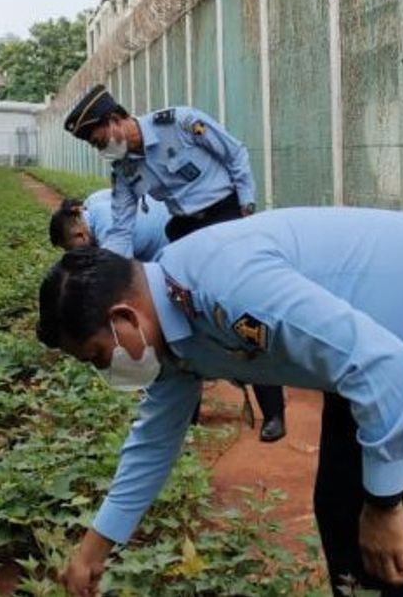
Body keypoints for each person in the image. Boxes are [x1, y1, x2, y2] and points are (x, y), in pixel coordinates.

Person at [37, 207, 403, 597]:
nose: (105, 370)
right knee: (343, 512)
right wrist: (94, 547)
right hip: (362, 351)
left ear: (125, 319)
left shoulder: (225, 285)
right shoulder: (172, 336)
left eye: (98, 356)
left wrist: (386, 503)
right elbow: (152, 441)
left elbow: (382, 363)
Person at [63, 84, 286, 443]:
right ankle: (188, 414)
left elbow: (235, 154)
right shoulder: (124, 170)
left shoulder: (180, 124)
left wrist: (247, 210)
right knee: (180, 315)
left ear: (116, 119)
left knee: (245, 308)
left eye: (99, 138)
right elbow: (121, 229)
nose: (101, 147)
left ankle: (273, 410)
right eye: (93, 145)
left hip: (225, 216)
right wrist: (103, 279)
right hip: (185, 230)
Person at [48, 188, 170, 263]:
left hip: (169, 244)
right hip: (166, 211)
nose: (73, 253)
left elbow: (121, 276)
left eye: (70, 248)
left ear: (80, 235)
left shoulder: (109, 232)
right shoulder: (95, 207)